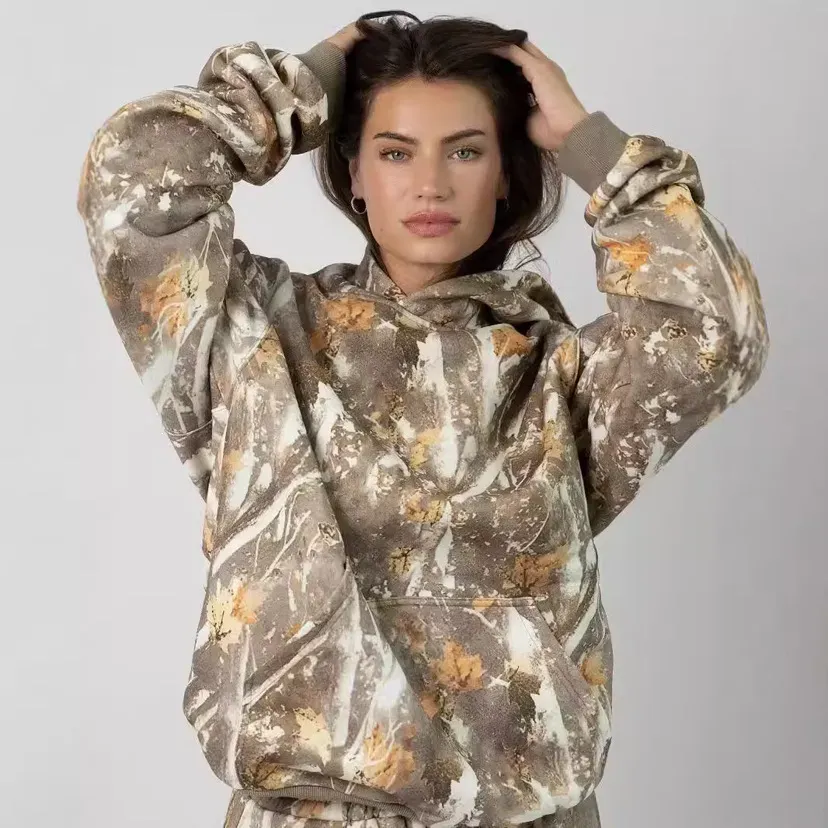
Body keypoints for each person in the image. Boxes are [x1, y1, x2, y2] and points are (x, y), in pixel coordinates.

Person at [76, 10, 770, 828]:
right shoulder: (257, 341)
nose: (430, 184)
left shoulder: (562, 377)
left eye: (465, 151)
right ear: (355, 171)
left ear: (505, 173)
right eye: (396, 152)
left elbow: (718, 332)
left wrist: (589, 142)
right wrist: (291, 94)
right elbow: (130, 184)